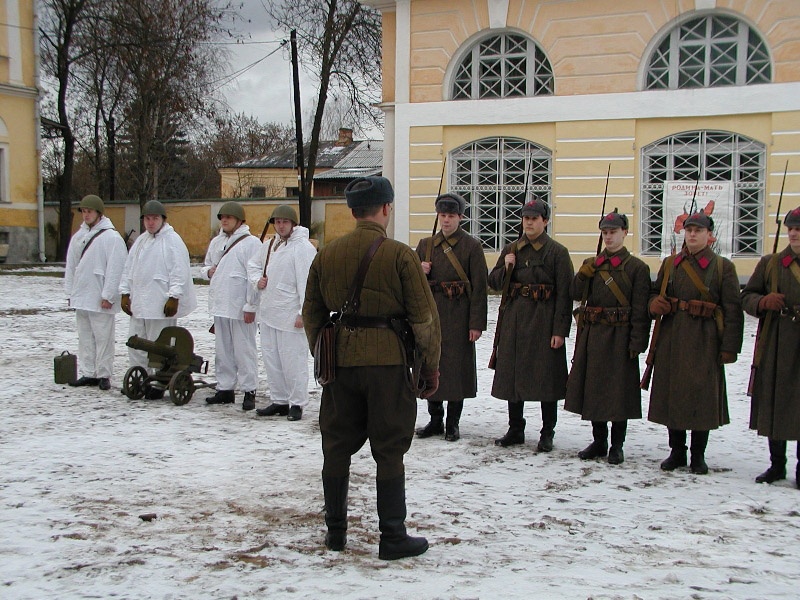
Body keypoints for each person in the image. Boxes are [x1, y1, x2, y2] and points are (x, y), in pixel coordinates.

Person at [303, 176, 441, 560]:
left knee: (336, 445)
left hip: (341, 365)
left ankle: (335, 533)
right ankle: (393, 536)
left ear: (352, 211)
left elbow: (311, 313)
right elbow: (424, 318)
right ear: (385, 208)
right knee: (390, 446)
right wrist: (429, 366)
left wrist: (324, 350)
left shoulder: (327, 255)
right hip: (388, 364)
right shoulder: (400, 255)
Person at [647, 210, 743, 474]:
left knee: (702, 397)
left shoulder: (723, 267)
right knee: (673, 394)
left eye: (698, 231)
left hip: (705, 339)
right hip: (673, 337)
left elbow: (733, 310)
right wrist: (654, 303)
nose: (692, 235)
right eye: (689, 230)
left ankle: (698, 455)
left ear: (709, 235)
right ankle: (677, 451)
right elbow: (655, 293)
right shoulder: (670, 264)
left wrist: (729, 347)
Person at [564, 210, 651, 464]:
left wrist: (637, 341)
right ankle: (599, 441)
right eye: (605, 233)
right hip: (593, 335)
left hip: (620, 337)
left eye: (613, 232)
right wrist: (584, 273)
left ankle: (617, 444)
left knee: (618, 393)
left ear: (624, 233)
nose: (609, 237)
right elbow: (575, 292)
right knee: (595, 391)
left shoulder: (637, 268)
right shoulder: (593, 264)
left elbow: (640, 310)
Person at [489, 197, 573, 451]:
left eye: (534, 218)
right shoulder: (512, 249)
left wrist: (560, 330)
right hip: (515, 319)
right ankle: (516, 428)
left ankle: (547, 432)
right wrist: (506, 267)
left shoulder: (557, 252)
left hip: (544, 321)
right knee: (513, 376)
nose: (529, 223)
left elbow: (565, 294)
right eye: (526, 218)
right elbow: (493, 282)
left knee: (546, 378)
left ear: (545, 221)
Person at [414, 192, 487, 441]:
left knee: (456, 369)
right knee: (429, 365)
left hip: (459, 315)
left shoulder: (471, 246)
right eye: (443, 215)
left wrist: (476, 323)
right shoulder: (425, 246)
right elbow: (410, 283)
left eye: (451, 216)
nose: (446, 221)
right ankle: (435, 419)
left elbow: (480, 288)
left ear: (460, 217)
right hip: (431, 315)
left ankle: (453, 423)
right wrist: (419, 269)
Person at [741, 206, 800, 488]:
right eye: (791, 229)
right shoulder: (771, 263)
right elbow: (748, 296)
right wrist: (764, 303)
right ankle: (777, 465)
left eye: (799, 229)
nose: (794, 233)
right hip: (777, 341)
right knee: (776, 401)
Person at [119, 200, 197, 397]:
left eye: (155, 218)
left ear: (163, 219)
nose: (151, 222)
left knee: (159, 346)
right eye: (147, 218)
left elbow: (179, 271)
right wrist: (125, 293)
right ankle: (141, 378)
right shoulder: (141, 242)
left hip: (160, 303)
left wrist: (174, 296)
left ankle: (158, 383)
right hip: (139, 303)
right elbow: (129, 269)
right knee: (136, 343)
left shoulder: (172, 241)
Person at [247, 205, 317, 421]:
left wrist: (302, 312)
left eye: (284, 222)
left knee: (292, 360)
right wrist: (257, 280)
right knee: (271, 359)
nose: (280, 225)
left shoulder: (302, 248)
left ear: (293, 224)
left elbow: (307, 283)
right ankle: (279, 400)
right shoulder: (269, 246)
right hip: (269, 312)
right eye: (277, 222)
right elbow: (252, 265)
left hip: (290, 314)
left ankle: (297, 402)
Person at [201, 201, 262, 410]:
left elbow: (254, 276)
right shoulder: (217, 242)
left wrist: (250, 305)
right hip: (221, 305)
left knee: (244, 350)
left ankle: (249, 390)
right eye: (222, 217)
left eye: (229, 217)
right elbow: (207, 265)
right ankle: (225, 388)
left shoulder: (251, 243)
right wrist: (208, 272)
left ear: (239, 220)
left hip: (240, 307)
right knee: (223, 350)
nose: (224, 220)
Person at [64, 194, 127, 391]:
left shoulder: (112, 238)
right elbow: (71, 267)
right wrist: (70, 293)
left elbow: (116, 269)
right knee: (85, 337)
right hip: (82, 295)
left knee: (103, 338)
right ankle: (88, 372)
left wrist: (109, 295)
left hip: (100, 297)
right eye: (83, 211)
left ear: (99, 213)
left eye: (89, 211)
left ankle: (104, 374)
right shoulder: (78, 237)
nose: (86, 215)